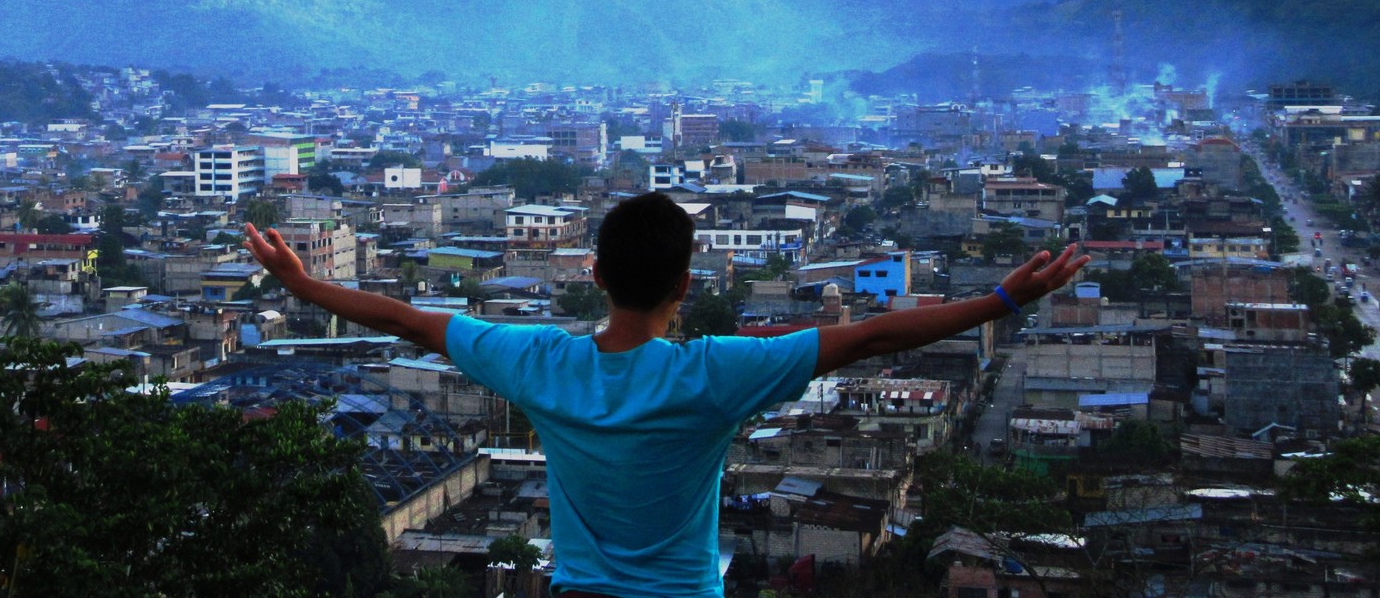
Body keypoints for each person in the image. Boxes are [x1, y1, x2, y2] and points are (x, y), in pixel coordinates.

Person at [246, 191, 1088, 598]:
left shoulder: (539, 363)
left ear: (598, 274)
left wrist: (304, 283)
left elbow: (410, 322)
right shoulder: (712, 376)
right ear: (686, 284)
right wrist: (1003, 301)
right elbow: (870, 336)